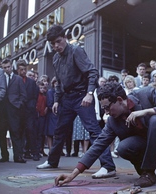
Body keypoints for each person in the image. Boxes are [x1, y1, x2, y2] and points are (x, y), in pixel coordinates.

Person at [54, 82, 156, 188]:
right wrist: (73, 174)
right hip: (146, 144)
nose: (106, 113)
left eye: (107, 108)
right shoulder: (113, 121)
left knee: (155, 120)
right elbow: (98, 145)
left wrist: (147, 112)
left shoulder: (146, 94)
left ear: (119, 100)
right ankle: (147, 173)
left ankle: (148, 171)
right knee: (123, 147)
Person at [37, 25, 116, 179]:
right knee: (59, 131)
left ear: (65, 38)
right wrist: (57, 101)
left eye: (58, 42)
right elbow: (59, 81)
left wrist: (89, 93)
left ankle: (108, 166)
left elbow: (92, 71)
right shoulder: (55, 58)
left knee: (94, 130)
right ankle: (52, 162)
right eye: (53, 44)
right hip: (66, 98)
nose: (56, 46)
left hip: (81, 96)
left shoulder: (76, 51)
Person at [0, 58, 27, 163]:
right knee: (2, 134)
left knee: (16, 133)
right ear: (2, 68)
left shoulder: (18, 79)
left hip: (14, 110)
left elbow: (23, 95)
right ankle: (4, 156)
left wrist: (19, 105)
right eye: (4, 68)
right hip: (2, 110)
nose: (7, 69)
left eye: (8, 67)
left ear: (12, 66)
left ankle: (18, 156)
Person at [17, 59, 40, 161]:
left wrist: (32, 106)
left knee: (31, 130)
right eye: (21, 69)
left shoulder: (31, 82)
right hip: (18, 110)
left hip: (30, 110)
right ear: (17, 70)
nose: (23, 71)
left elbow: (35, 96)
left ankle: (34, 152)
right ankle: (21, 153)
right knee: (19, 132)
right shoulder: (15, 80)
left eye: (24, 69)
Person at [36, 81, 48, 157]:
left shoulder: (44, 97)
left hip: (42, 116)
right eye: (40, 88)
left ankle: (40, 149)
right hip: (36, 115)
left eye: (43, 88)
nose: (42, 89)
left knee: (41, 134)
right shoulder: (36, 96)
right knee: (36, 133)